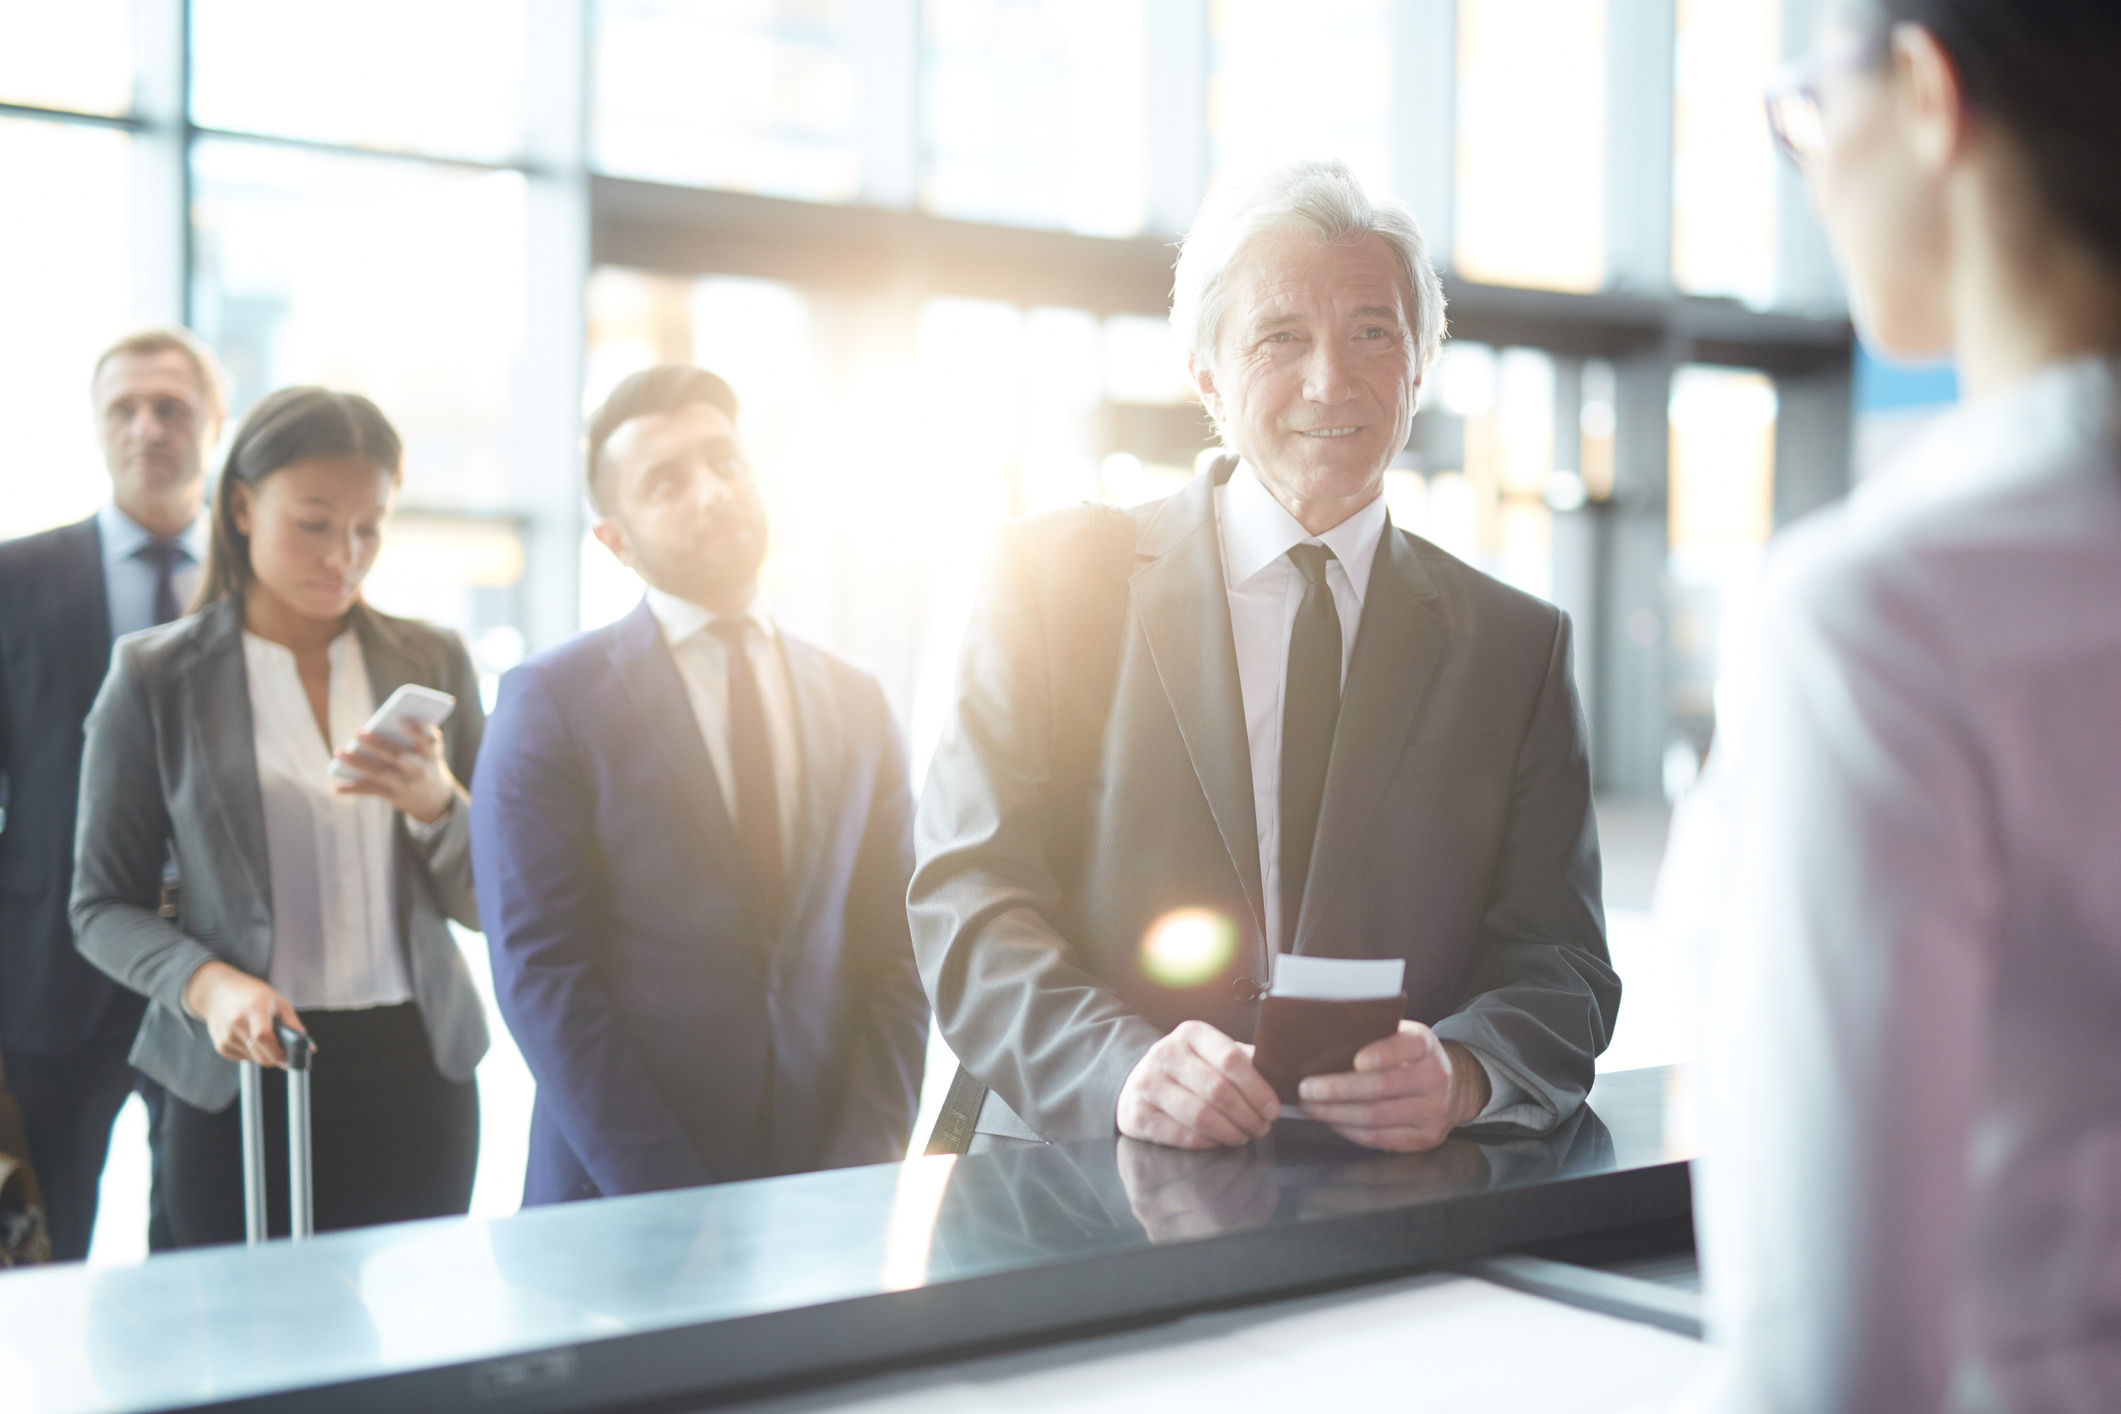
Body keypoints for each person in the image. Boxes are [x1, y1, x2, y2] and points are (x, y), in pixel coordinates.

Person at [911, 159, 1618, 1155]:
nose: (1331, 379)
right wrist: (1119, 1069)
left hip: (1387, 1203)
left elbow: (1561, 963)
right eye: (1281, 338)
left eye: (1373, 333)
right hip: (1080, 1185)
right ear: (1206, 372)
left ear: (1419, 364)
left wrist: (1465, 1073)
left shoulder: (1515, 647)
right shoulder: (1051, 581)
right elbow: (970, 899)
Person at [1661, 2, 2121, 1409]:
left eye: (1803, 108)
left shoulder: (1885, 619)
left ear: (1927, 91)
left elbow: (1828, 1364)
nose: (1810, 168)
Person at [471, 364, 927, 1205]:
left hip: (825, 1187)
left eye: (724, 462)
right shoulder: (550, 702)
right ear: (615, 539)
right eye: (666, 481)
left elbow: (896, 956)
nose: (712, 492)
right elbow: (542, 974)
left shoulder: (857, 700)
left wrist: (860, 1171)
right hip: (621, 1199)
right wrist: (670, 1203)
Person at [71, 387, 489, 1246]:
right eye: (315, 522)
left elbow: (495, 902)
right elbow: (99, 905)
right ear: (241, 505)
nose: (346, 554)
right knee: (250, 1351)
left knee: (409, 1364)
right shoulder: (154, 677)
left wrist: (438, 808)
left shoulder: (432, 657)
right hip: (239, 1064)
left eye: (370, 527)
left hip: (417, 1067)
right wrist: (206, 983)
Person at [0, 327, 226, 1260]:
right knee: (42, 1258)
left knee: (207, 1244)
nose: (148, 427)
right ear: (97, 428)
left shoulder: (262, 592)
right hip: (52, 972)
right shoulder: (14, 578)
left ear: (213, 423)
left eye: (171, 407)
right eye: (124, 409)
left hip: (217, 966)